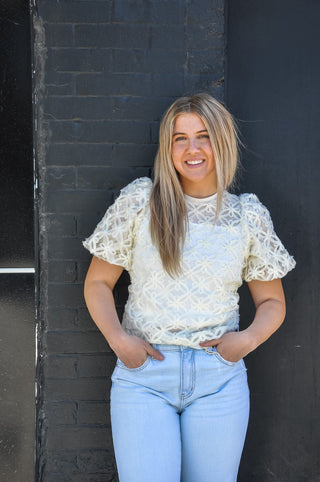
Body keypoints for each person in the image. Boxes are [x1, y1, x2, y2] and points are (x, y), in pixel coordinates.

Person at [83, 93, 296, 482]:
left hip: (219, 380)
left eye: (203, 136)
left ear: (222, 141)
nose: (192, 149)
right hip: (144, 377)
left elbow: (271, 302)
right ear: (168, 147)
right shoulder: (140, 202)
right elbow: (98, 282)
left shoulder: (246, 215)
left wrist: (244, 342)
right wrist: (118, 340)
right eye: (180, 138)